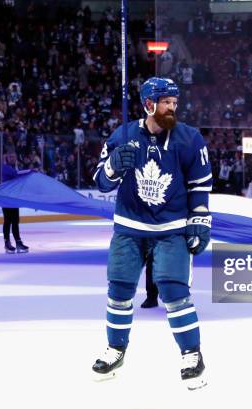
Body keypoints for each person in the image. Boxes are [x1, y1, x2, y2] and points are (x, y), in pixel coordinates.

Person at [91, 77, 212, 390]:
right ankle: (116, 350)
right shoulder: (123, 135)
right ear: (148, 104)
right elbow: (100, 181)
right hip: (130, 228)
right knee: (118, 290)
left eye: (174, 102)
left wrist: (200, 218)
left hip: (171, 229)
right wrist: (113, 166)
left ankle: (192, 355)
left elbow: (200, 186)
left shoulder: (190, 139)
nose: (172, 107)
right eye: (165, 102)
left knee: (173, 292)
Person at [1, 153, 32, 253]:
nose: (13, 158)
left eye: (14, 157)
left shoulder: (15, 168)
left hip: (14, 199)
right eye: (10, 157)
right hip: (6, 199)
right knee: (8, 221)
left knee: (15, 221)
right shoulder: (5, 168)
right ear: (7, 158)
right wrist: (30, 171)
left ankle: (18, 242)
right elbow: (16, 174)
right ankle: (7, 243)